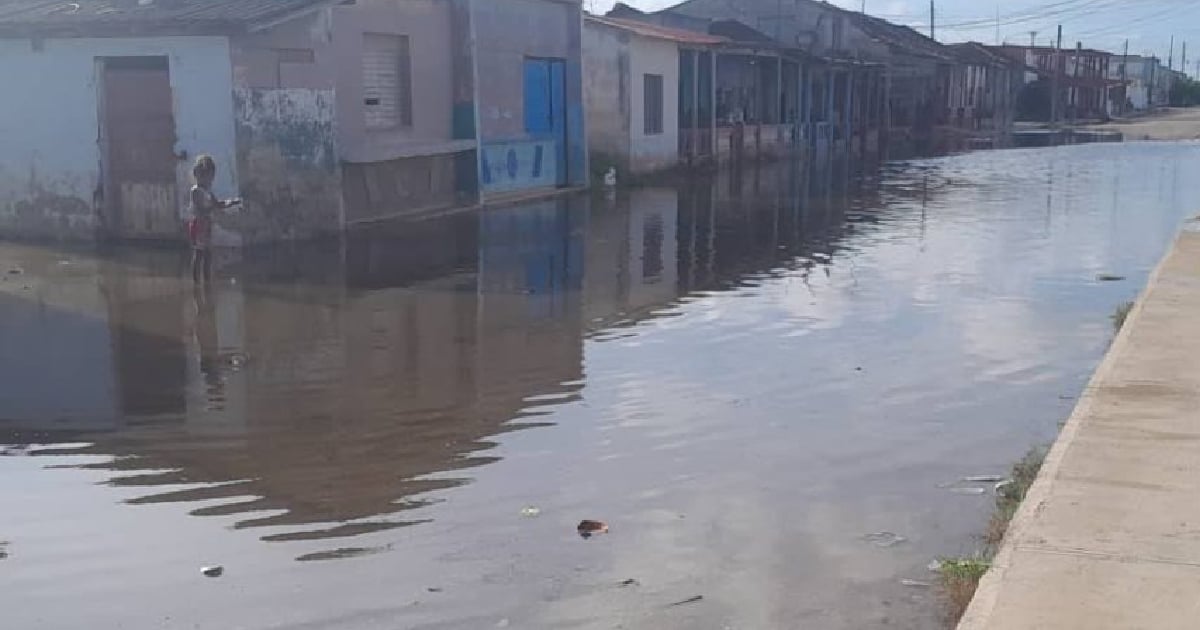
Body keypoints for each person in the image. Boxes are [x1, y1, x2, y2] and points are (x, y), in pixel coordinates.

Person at [188, 155, 239, 283]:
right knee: (199, 254)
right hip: (198, 225)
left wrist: (231, 202)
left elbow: (217, 204)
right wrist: (213, 208)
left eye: (211, 177)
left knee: (208, 254)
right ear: (199, 175)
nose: (210, 180)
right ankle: (197, 283)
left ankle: (206, 282)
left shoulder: (208, 191)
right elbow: (202, 208)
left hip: (207, 224)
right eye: (208, 176)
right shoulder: (196, 191)